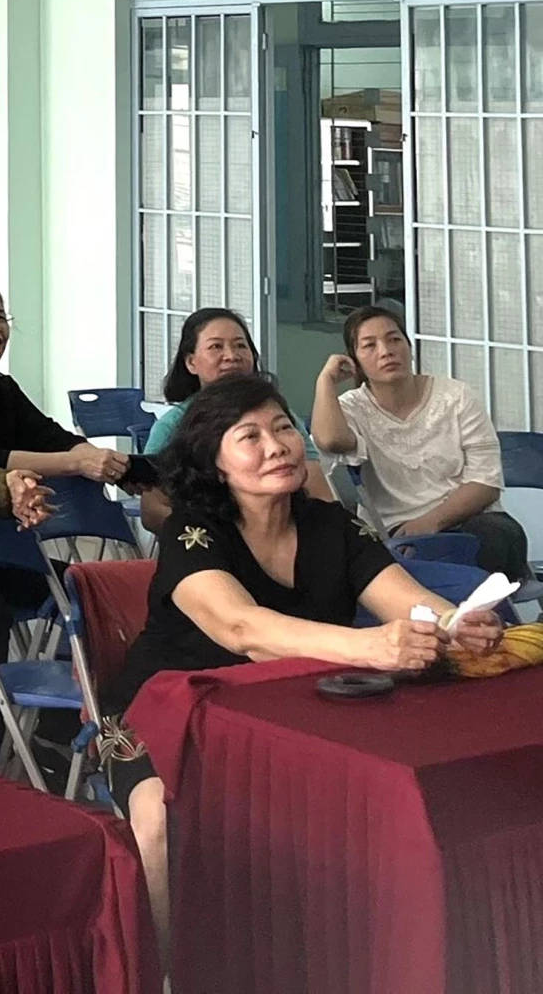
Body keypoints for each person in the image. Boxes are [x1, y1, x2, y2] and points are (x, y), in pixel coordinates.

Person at [101, 373, 503, 947]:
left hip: (292, 715)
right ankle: (168, 970)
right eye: (250, 436)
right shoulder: (191, 532)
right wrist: (368, 646)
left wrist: (456, 622)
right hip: (168, 715)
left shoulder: (332, 526)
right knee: (160, 821)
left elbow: (408, 601)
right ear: (216, 463)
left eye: (283, 427)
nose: (277, 446)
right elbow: (244, 630)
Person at [312, 305, 530, 584]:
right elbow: (330, 440)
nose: (386, 351)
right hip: (398, 532)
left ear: (409, 347)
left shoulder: (456, 397)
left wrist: (431, 522)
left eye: (394, 339)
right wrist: (326, 381)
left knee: (497, 538)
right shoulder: (352, 408)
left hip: (471, 521)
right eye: (369, 345)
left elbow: (485, 483)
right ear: (354, 361)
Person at [139, 308, 333, 533]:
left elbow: (320, 496)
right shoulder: (171, 426)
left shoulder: (280, 415)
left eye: (241, 345)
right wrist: (216, 537)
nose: (231, 356)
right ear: (191, 362)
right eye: (216, 346)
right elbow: (152, 511)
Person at [0, 280, 129, 483]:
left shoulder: (1, 386)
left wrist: (103, 461)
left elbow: (48, 436)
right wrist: (78, 463)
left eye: (0, 318)